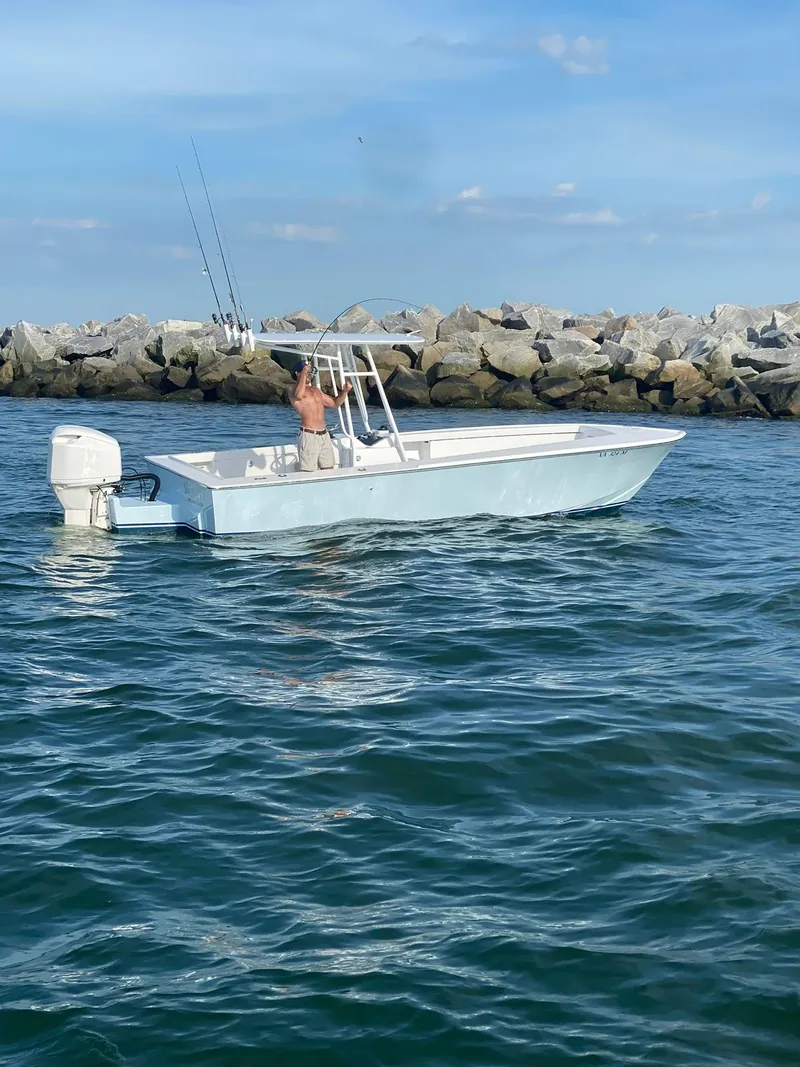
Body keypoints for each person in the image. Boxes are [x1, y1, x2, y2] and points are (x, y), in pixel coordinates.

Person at [290, 361, 352, 472]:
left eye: (310, 372)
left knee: (329, 469)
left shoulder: (316, 390)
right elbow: (299, 395)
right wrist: (304, 372)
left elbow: (334, 403)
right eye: (306, 372)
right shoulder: (292, 390)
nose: (309, 375)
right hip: (309, 435)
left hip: (324, 435)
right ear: (297, 373)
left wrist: (345, 391)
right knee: (308, 471)